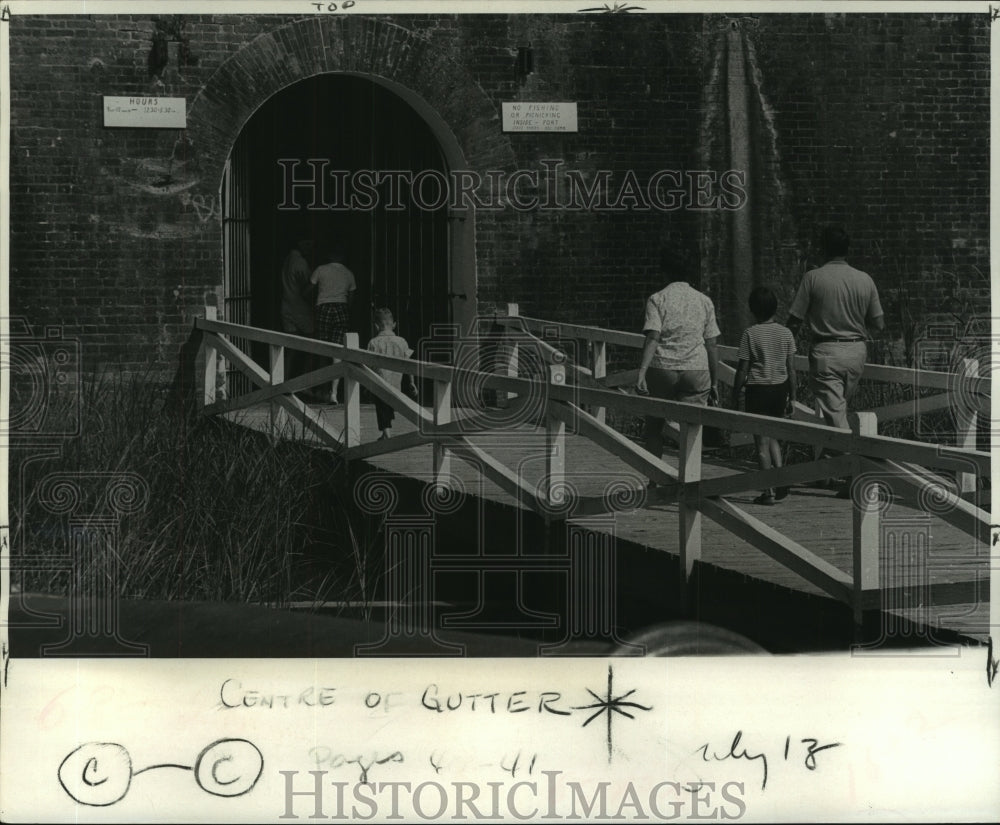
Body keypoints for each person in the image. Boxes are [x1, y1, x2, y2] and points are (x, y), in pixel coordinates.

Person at [786, 225, 884, 496]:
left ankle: (857, 476)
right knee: (837, 413)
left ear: (824, 248)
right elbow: (879, 323)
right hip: (856, 351)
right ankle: (826, 473)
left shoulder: (813, 277)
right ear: (847, 248)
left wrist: (783, 346)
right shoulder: (864, 279)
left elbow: (794, 319)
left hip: (827, 351)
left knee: (835, 418)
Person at [636, 257, 721, 478]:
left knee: (654, 428)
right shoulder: (704, 300)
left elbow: (653, 337)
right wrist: (715, 380)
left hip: (663, 367)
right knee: (691, 429)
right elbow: (712, 344)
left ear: (665, 274)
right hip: (696, 368)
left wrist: (642, 372)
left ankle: (655, 478)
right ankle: (689, 481)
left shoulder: (657, 298)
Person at [731, 286, 797, 506]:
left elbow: (743, 369)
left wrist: (735, 392)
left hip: (758, 390)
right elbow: (791, 368)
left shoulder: (750, 333)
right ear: (775, 308)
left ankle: (767, 491)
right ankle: (780, 479)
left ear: (753, 309)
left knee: (760, 442)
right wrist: (793, 396)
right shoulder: (786, 333)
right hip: (780, 389)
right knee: (773, 436)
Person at [311, 245, 357, 404]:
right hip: (341, 308)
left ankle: (321, 390)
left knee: (322, 348)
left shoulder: (320, 270)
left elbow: (310, 288)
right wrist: (345, 311)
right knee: (337, 351)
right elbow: (351, 298)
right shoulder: (349, 273)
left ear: (329, 256)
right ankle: (333, 392)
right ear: (343, 257)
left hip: (323, 308)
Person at [367, 308, 419, 439]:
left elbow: (368, 364)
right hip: (396, 382)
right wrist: (412, 382)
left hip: (379, 381)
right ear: (394, 324)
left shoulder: (373, 342)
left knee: (381, 406)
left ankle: (386, 432)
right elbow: (408, 364)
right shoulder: (402, 341)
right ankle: (386, 433)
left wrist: (366, 384)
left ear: (376, 325)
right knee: (390, 405)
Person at [279, 238, 315, 386]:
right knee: (313, 346)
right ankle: (306, 383)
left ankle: (284, 382)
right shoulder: (300, 263)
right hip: (300, 309)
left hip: (286, 306)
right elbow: (306, 288)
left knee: (290, 350)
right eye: (307, 243)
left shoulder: (287, 259)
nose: (310, 247)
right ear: (299, 243)